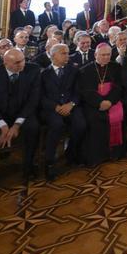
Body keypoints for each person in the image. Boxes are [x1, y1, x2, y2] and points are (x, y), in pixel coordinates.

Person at [0, 48, 41, 188]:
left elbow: (33, 100)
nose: (21, 64)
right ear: (5, 62)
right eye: (17, 62)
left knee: (33, 127)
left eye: (23, 60)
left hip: (23, 114)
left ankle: (28, 168)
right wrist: (3, 125)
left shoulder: (33, 70)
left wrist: (17, 125)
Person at [40, 43, 85, 179]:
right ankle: (50, 162)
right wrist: (55, 107)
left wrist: (71, 104)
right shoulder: (44, 73)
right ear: (53, 55)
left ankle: (71, 153)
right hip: (52, 109)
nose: (67, 56)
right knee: (57, 125)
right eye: (63, 53)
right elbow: (41, 96)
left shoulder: (74, 70)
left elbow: (79, 91)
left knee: (81, 124)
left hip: (70, 105)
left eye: (67, 53)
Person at [78, 42, 125, 165]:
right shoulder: (85, 70)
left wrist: (109, 101)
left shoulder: (116, 67)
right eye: (103, 55)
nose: (106, 57)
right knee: (95, 119)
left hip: (112, 102)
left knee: (119, 118)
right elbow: (86, 91)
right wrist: (100, 102)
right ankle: (96, 156)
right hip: (93, 104)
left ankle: (114, 153)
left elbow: (118, 87)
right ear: (95, 54)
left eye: (108, 55)